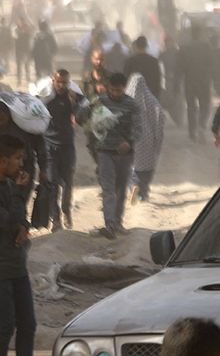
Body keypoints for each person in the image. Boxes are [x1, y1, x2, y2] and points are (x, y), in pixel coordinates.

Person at [0, 134, 36, 356]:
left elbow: (20, 220)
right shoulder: (11, 189)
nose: (21, 164)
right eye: (17, 159)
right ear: (2, 161)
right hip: (2, 270)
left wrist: (22, 226)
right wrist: (20, 195)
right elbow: (6, 221)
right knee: (4, 325)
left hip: (17, 266)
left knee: (28, 323)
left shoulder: (10, 186)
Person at [89, 73, 140, 239]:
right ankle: (109, 225)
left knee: (120, 188)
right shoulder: (100, 101)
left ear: (124, 88)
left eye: (119, 90)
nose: (115, 93)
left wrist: (129, 142)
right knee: (108, 189)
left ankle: (117, 222)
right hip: (104, 151)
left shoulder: (132, 104)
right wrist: (88, 106)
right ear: (108, 87)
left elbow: (138, 128)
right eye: (112, 90)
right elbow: (82, 116)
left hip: (124, 153)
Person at [40, 70, 85, 231]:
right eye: (58, 82)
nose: (61, 85)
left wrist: (77, 107)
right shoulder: (46, 97)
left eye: (64, 82)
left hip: (67, 146)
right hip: (49, 147)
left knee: (67, 183)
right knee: (52, 184)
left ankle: (66, 210)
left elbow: (85, 110)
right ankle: (56, 219)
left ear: (68, 82)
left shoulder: (73, 97)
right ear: (53, 81)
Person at [128, 73, 165, 204]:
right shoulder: (151, 100)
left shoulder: (126, 100)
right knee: (147, 167)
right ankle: (143, 194)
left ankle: (133, 187)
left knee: (131, 166)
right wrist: (157, 137)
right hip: (147, 137)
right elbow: (159, 116)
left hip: (130, 138)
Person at [0, 101, 46, 202]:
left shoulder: (22, 126)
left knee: (20, 201)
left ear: (7, 114)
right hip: (4, 172)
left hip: (24, 169)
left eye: (1, 116)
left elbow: (40, 145)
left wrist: (43, 169)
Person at [178, 27, 213, 143]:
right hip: (203, 81)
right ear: (200, 34)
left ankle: (192, 132)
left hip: (190, 81)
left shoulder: (184, 48)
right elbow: (211, 64)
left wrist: (177, 83)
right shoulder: (207, 47)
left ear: (191, 35)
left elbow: (180, 67)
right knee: (205, 105)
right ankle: (201, 125)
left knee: (191, 107)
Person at [124, 36, 164, 102]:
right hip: (150, 96)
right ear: (146, 46)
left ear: (136, 46)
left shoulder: (130, 61)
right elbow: (158, 80)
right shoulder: (154, 61)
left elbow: (125, 80)